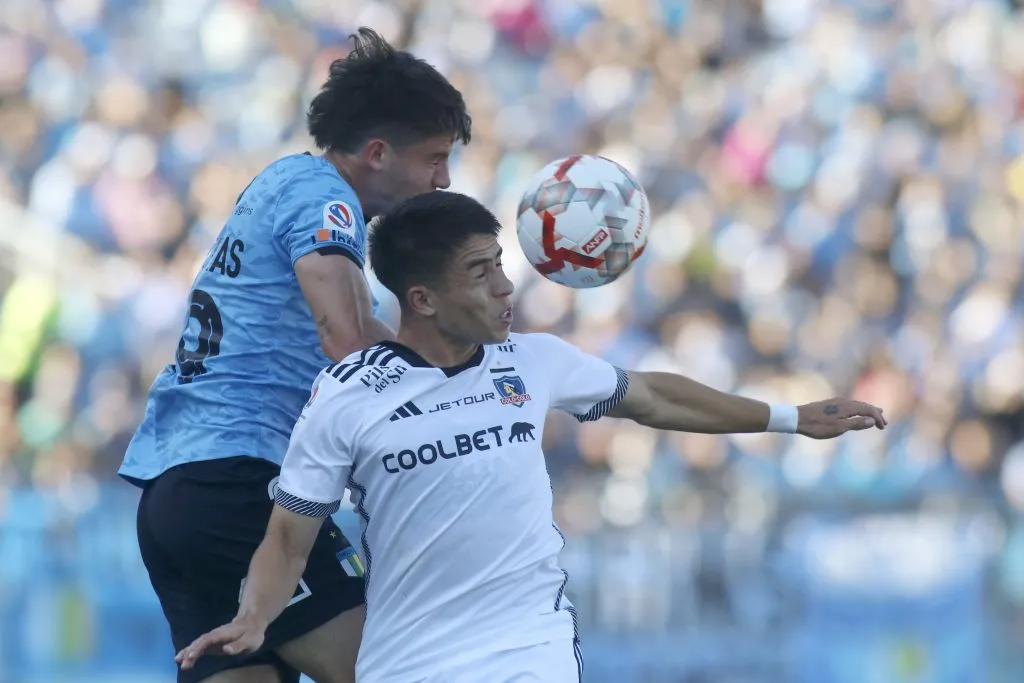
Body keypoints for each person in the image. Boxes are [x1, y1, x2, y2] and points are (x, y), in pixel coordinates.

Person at [175, 191, 887, 682]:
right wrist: (255, 615)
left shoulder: (535, 361)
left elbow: (655, 396)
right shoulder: (349, 394)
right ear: (421, 299)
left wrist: (790, 416)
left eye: (501, 265)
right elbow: (288, 536)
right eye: (481, 273)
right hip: (407, 659)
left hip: (527, 647)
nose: (506, 288)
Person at [119, 29, 471, 683]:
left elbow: (368, 330)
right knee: (398, 670)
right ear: (376, 152)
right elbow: (346, 342)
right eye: (434, 157)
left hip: (179, 494)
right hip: (239, 485)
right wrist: (459, 412)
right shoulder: (322, 199)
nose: (443, 179)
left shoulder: (288, 184)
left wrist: (451, 368)